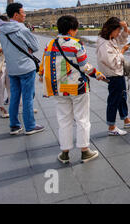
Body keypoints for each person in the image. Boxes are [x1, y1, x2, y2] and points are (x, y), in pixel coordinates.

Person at [39, 15, 105, 163]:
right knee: (82, 118)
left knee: (64, 120)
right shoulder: (76, 45)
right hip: (77, 87)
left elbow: (44, 64)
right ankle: (84, 151)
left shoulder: (50, 44)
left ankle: (65, 152)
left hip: (59, 88)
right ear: (71, 29)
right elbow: (84, 67)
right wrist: (98, 74)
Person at [0, 2, 44, 135]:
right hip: (26, 67)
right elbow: (35, 46)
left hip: (12, 68)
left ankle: (14, 125)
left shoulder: (2, 31)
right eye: (23, 13)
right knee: (27, 97)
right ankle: (30, 126)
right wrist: (27, 48)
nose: (25, 15)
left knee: (14, 97)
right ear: (16, 15)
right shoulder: (22, 29)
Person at [96, 17, 130, 136]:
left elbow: (121, 39)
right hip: (113, 75)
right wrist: (122, 52)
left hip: (117, 73)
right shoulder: (104, 44)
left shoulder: (109, 38)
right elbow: (111, 62)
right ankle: (111, 127)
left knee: (122, 98)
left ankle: (126, 120)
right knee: (114, 100)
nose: (118, 33)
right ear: (111, 29)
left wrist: (125, 27)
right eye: (117, 30)